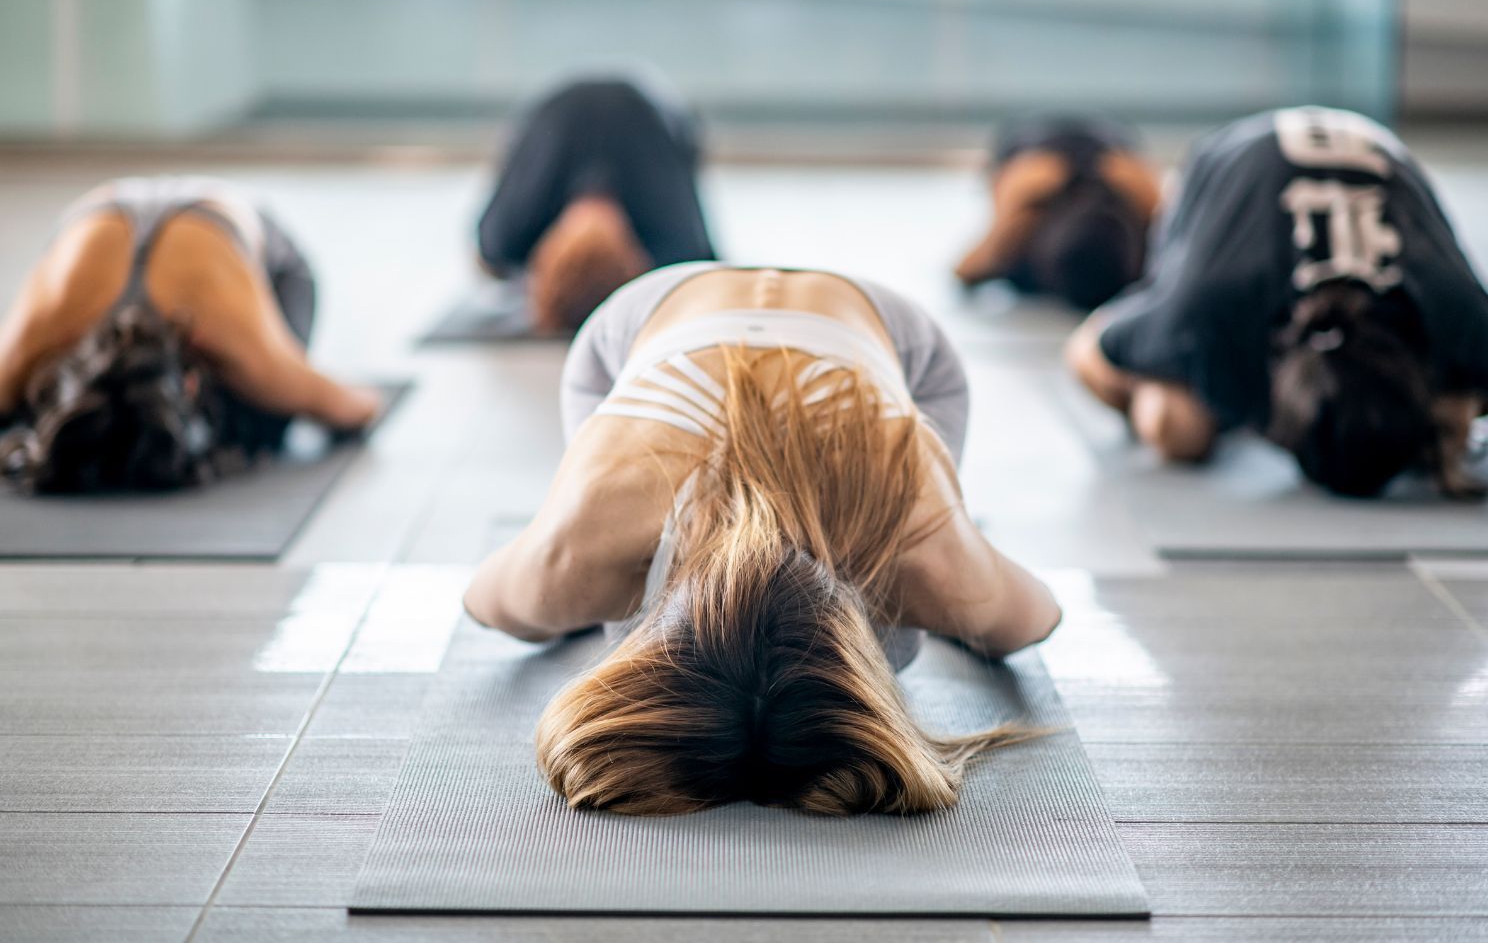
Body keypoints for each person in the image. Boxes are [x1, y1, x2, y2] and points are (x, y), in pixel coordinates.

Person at [464, 261, 1061, 816]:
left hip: (873, 349)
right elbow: (487, 604)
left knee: (926, 620)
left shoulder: (923, 553)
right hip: (669, 327)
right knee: (560, 600)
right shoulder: (579, 549)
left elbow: (1034, 619)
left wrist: (959, 581)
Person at [1066, 106, 1488, 499]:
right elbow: (1087, 351)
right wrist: (1196, 388)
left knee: (1456, 419)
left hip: (1366, 148)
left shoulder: (1453, 312)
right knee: (1176, 426)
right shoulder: (1210, 307)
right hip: (1227, 159)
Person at [0, 176, 382, 493]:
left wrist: (289, 387)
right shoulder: (45, 335)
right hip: (106, 210)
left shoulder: (240, 348)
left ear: (191, 380)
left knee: (265, 409)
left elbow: (356, 408)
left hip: (247, 242)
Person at [476, 78, 717, 332]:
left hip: (569, 106)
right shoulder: (677, 242)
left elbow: (488, 263)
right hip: (644, 108)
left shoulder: (507, 236)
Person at [955, 117, 1160, 311]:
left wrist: (1012, 211)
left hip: (1032, 151)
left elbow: (965, 271)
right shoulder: (1135, 239)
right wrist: (1154, 205)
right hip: (1111, 147)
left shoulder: (1021, 235)